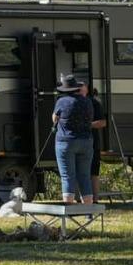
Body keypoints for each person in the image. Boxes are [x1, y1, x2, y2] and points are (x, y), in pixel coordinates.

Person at [52, 75, 94, 204]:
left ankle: (68, 209)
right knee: (85, 176)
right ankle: (88, 212)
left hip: (66, 141)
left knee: (67, 176)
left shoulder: (62, 101)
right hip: (86, 141)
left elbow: (55, 118)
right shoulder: (87, 101)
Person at [87, 84, 108, 198]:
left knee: (93, 172)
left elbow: (103, 122)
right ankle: (89, 198)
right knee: (91, 172)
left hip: (93, 141)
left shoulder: (95, 103)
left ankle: (94, 198)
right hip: (89, 141)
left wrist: (86, 125)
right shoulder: (94, 102)